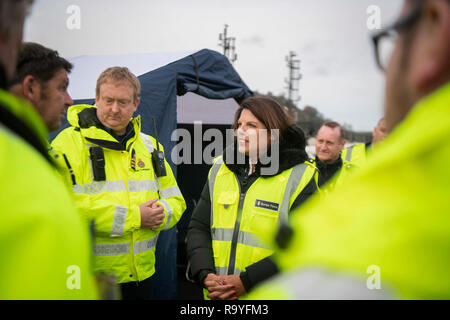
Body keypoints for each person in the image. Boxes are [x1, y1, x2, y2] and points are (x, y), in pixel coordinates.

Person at [246, 0, 450, 299]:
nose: (324, 146)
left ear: (435, 34)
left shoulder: (337, 272)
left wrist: (250, 279)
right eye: (321, 141)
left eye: (394, 37)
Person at [51, 66, 186, 300]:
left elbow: (176, 200)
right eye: (108, 100)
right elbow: (61, 209)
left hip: (142, 277)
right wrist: (136, 217)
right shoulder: (67, 145)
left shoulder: (151, 147)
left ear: (136, 104)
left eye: (123, 102)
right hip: (91, 278)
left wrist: (162, 212)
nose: (114, 109)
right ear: (96, 99)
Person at [0, 0, 98, 299]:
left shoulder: (34, 154)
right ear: (30, 88)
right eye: (62, 87)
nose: (70, 100)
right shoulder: (19, 163)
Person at [186, 96, 318, 300]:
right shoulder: (220, 168)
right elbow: (198, 227)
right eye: (239, 124)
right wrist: (205, 273)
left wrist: (247, 282)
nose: (241, 131)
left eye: (251, 125)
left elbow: (304, 244)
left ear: (274, 133)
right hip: (215, 294)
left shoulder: (300, 176)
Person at [313, 121, 354, 188]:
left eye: (329, 143)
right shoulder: (301, 172)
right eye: (320, 141)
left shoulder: (356, 175)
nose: (323, 148)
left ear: (342, 145)